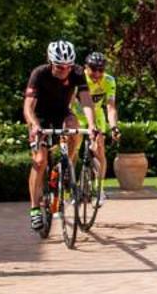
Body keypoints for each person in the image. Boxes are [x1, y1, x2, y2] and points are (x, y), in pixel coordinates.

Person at [24, 40, 91, 232]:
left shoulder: (77, 73)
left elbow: (86, 101)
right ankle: (35, 208)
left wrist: (93, 125)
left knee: (75, 128)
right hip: (41, 118)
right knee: (40, 159)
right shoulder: (39, 74)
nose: (65, 70)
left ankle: (66, 165)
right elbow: (28, 106)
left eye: (68, 66)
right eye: (60, 66)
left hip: (62, 114)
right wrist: (35, 125)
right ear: (50, 61)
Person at [82, 51, 119, 188]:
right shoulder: (80, 78)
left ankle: (99, 188)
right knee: (72, 149)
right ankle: (73, 184)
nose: (97, 74)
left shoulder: (109, 81)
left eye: (101, 70)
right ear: (86, 67)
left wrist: (114, 127)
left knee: (100, 149)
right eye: (93, 69)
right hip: (77, 114)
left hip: (97, 115)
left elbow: (110, 107)